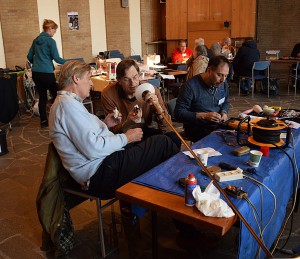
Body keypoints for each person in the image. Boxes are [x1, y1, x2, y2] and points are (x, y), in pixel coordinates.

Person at [48, 60, 179, 199]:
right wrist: (126, 138)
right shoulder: (67, 106)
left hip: (105, 163)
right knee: (161, 143)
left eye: (135, 78)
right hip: (100, 174)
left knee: (163, 142)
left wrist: (104, 124)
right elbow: (92, 148)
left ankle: (151, 197)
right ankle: (175, 197)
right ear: (76, 78)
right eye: (88, 78)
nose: (92, 84)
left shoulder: (69, 104)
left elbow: (86, 134)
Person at [101, 59, 181, 148]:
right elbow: (113, 132)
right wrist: (128, 123)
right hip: (124, 136)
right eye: (127, 79)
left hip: (144, 130)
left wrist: (158, 107)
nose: (133, 83)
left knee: (174, 139)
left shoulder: (151, 90)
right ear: (118, 80)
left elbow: (167, 127)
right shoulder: (109, 93)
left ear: (139, 76)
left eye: (135, 77)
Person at [174, 55, 230, 143]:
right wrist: (204, 116)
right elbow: (178, 113)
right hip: (197, 128)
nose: (223, 79)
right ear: (209, 70)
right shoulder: (191, 86)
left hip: (217, 125)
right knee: (220, 142)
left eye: (226, 76)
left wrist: (224, 112)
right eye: (219, 75)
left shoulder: (223, 83)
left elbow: (226, 101)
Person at [27, 19, 67, 128]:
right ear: (50, 29)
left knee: (42, 97)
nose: (54, 33)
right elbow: (57, 59)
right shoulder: (50, 41)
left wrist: (36, 63)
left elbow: (29, 56)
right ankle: (58, 120)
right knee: (56, 96)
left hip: (36, 73)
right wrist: (70, 62)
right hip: (47, 73)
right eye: (54, 30)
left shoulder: (36, 40)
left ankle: (43, 121)